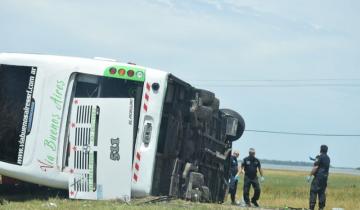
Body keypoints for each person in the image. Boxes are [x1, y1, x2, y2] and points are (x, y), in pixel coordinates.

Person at [308, 145, 330, 210]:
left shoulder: (319, 157)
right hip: (325, 178)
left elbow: (315, 167)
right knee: (322, 193)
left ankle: (311, 208)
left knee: (313, 191)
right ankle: (321, 208)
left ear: (320, 149)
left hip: (318, 178)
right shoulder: (328, 158)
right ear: (327, 150)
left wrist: (310, 175)